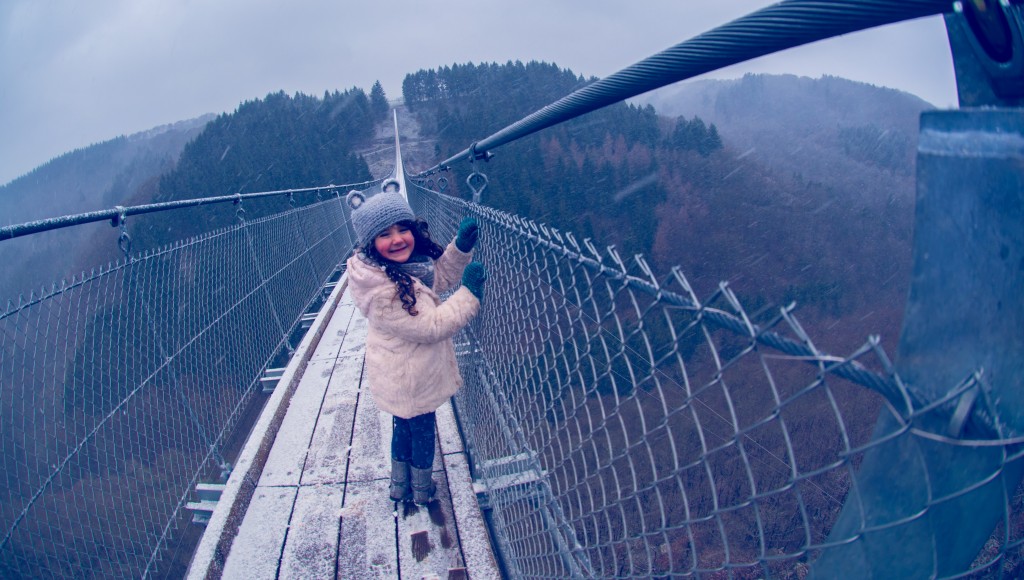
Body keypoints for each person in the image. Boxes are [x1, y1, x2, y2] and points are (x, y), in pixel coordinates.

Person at [344, 186, 487, 505]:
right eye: (384, 234)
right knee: (421, 430)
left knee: (404, 428)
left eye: (402, 229)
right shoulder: (384, 292)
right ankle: (422, 490)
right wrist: (470, 294)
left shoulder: (403, 268)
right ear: (371, 244)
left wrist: (460, 249)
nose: (396, 239)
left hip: (400, 373)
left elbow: (439, 276)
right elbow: (431, 326)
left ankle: (399, 485)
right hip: (411, 377)